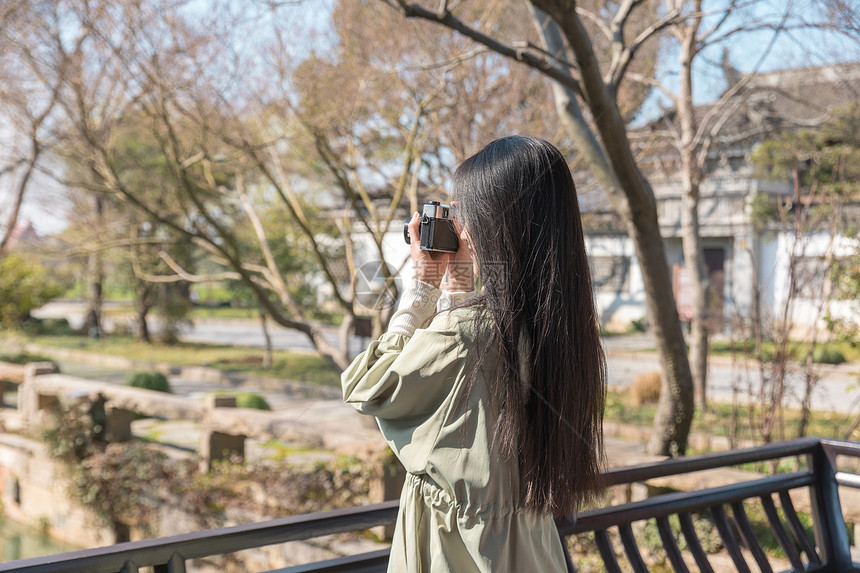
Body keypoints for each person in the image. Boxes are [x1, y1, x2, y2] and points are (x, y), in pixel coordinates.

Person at [341, 135, 606, 573]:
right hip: (533, 551)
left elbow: (367, 386)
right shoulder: (560, 330)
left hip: (459, 555)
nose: (461, 228)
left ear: (493, 229)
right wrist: (459, 289)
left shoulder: (467, 336)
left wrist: (422, 289)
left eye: (468, 215)